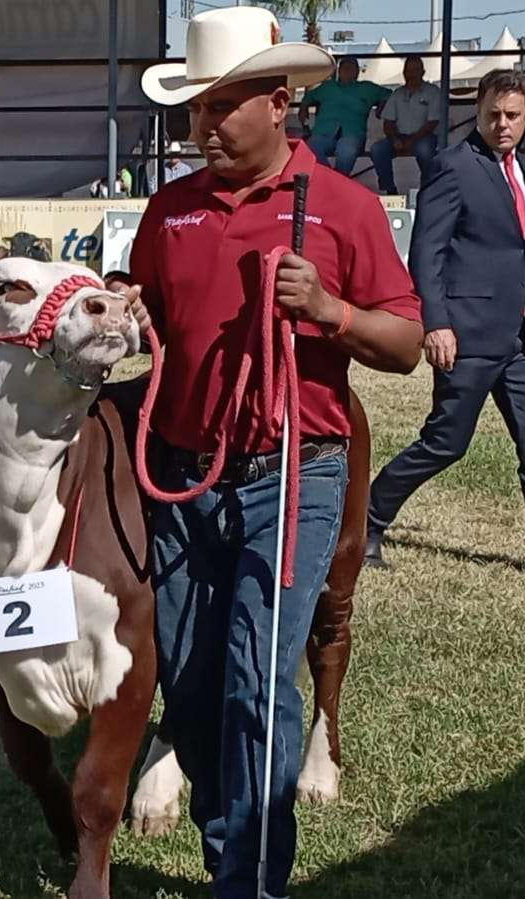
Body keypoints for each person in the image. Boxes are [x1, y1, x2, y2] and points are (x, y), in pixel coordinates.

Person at [133, 8, 423, 897]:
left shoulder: (343, 207)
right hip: (181, 476)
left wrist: (331, 311)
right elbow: (143, 321)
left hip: (294, 472)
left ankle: (248, 881)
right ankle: (229, 843)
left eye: (220, 106)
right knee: (189, 686)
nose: (204, 127)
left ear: (278, 103)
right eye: (195, 109)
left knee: (256, 683)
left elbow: (405, 344)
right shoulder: (170, 209)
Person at [366, 69, 525, 581]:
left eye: (512, 115)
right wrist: (436, 324)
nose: (502, 124)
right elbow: (426, 252)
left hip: (521, 341)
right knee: (444, 444)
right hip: (466, 335)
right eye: (493, 114)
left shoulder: (520, 168)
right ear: (479, 111)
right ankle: (365, 522)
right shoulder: (452, 166)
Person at [299, 56, 389, 176]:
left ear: (357, 71)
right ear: (339, 71)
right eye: (344, 68)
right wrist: (303, 106)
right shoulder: (328, 87)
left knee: (346, 152)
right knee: (310, 146)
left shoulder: (367, 88)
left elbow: (389, 93)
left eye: (351, 68)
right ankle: (332, 179)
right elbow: (310, 95)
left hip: (352, 134)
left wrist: (382, 104)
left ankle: (333, 181)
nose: (347, 71)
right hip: (323, 133)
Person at [369, 56, 442, 195]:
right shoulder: (397, 93)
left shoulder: (433, 92)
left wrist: (412, 140)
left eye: (414, 70)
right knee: (377, 149)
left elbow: (432, 122)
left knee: (424, 151)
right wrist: (394, 139)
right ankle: (390, 190)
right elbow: (388, 122)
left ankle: (428, 189)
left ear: (423, 72)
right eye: (408, 71)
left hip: (425, 136)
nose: (410, 74)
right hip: (400, 136)